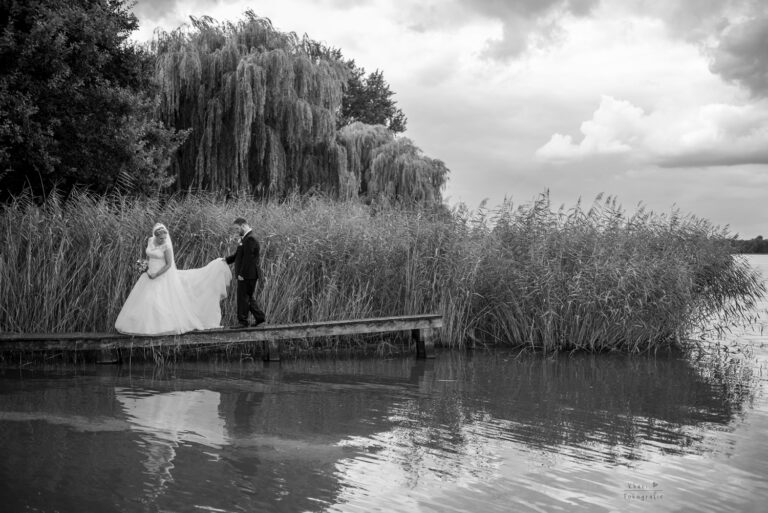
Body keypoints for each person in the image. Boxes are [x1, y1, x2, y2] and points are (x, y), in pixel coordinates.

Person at [115, 223, 232, 335]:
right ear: (155, 236)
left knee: (157, 300)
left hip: (160, 275)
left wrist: (156, 274)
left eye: (165, 238)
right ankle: (139, 325)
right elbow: (150, 255)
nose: (163, 240)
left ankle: (160, 327)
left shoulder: (166, 246)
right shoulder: (151, 240)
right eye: (161, 238)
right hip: (148, 274)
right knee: (144, 300)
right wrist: (144, 265)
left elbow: (168, 264)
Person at [224, 217, 266, 328]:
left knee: (243, 297)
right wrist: (225, 260)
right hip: (247, 274)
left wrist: (241, 274)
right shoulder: (245, 238)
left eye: (237, 229)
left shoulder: (250, 239)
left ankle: (243, 322)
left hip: (248, 274)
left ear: (243, 225)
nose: (237, 231)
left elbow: (249, 259)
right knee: (248, 297)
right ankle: (260, 318)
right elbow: (238, 255)